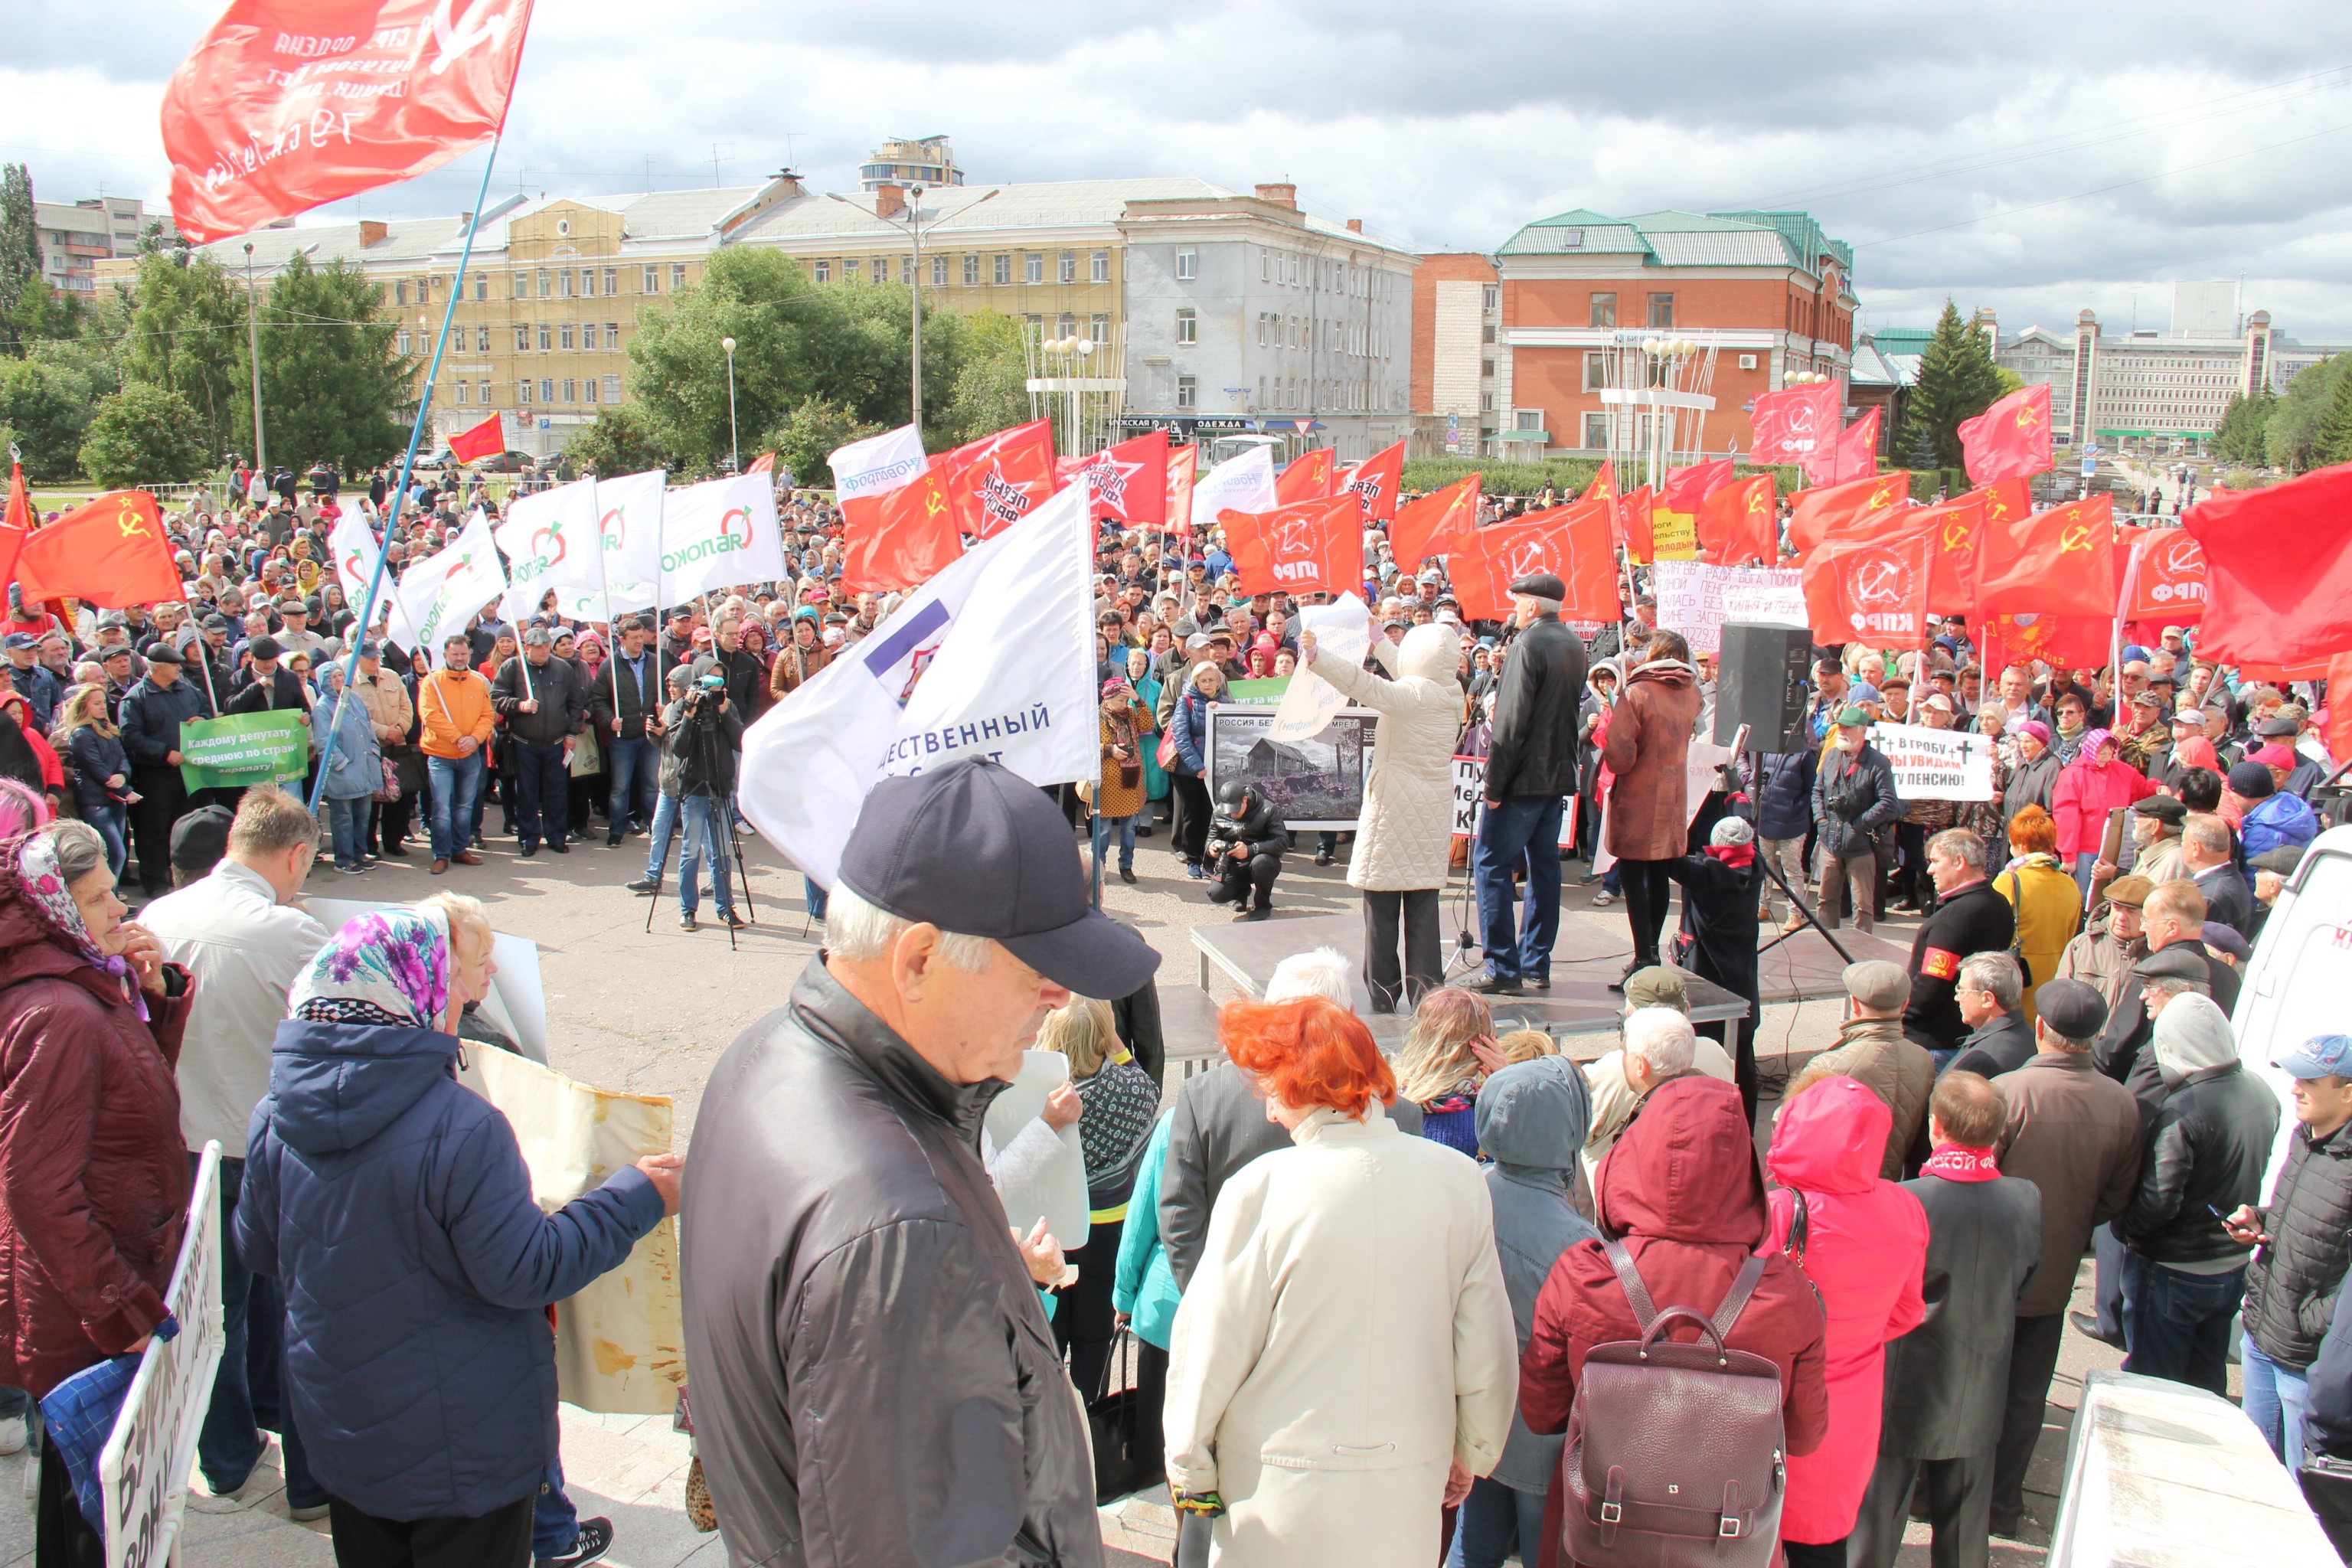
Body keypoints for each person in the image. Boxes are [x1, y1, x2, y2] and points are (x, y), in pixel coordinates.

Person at [681, 759, 1158, 1564]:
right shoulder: (897, 1227)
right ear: (917, 959)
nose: (1058, 997)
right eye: (1035, 966)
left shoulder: (763, 1055)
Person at [237, 899, 679, 1567]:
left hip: (345, 1433)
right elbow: (528, 1270)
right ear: (413, 989)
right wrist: (637, 1194)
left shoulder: (274, 1113)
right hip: (464, 1451)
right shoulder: (460, 1125)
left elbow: (261, 1248)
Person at [1161, 997, 1517, 1568]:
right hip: (1408, 1471)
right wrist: (1473, 1449)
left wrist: (1190, 1464)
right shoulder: (1456, 1180)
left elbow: (1211, 1343)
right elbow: (1486, 1342)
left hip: (1278, 1480)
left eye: (1271, 1086)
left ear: (1298, 1086)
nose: (1270, 1109)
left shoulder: (1262, 1187)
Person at [1518, 1073, 1829, 1568]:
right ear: (1744, 1175)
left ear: (1633, 1159)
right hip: (1729, 1542)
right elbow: (1807, 1436)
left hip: (1602, 1534)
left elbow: (1540, 1413)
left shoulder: (1585, 1275)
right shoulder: (1786, 1294)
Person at [0, 818, 192, 1564]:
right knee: (96, 1520)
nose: (123, 908)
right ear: (55, 909)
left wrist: (158, 1001)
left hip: (94, 1299)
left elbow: (128, 1110)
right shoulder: (60, 1012)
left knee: (102, 1513)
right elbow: (37, 1189)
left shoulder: (85, 984)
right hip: (88, 1317)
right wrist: (124, 1309)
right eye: (101, 896)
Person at [140, 787, 333, 1519]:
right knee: (287, 1308)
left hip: (184, 1147)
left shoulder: (158, 916)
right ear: (292, 856)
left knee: (209, 1304)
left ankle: (224, 1454)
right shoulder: (289, 932)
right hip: (262, 1150)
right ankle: (305, 1469)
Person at [1852, 1073, 2043, 1568]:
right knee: (1963, 1538)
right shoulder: (2026, 1199)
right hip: (1980, 1385)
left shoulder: (1904, 1198)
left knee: (1875, 1529)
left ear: (1936, 1128)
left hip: (1903, 1384)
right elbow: (2023, 1281)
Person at [1984, 977, 2140, 1535]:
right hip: (2054, 1270)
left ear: (2043, 1029)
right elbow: (2116, 1198)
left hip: (1990, 1271)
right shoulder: (2121, 1103)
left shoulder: (2008, 1091)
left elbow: (1978, 1179)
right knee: (2027, 1394)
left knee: (1971, 1386)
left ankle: (1946, 1497)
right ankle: (2003, 1504)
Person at [1765, 1074, 1931, 1568]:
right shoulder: (1905, 1207)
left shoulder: (1776, 1211)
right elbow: (1907, 1311)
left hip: (1774, 1405)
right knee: (1824, 1543)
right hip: (1851, 1407)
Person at [1444, 1054, 1594, 1568]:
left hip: (1474, 1422)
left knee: (1473, 1546)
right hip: (1543, 1445)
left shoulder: (1464, 1190)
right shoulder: (1578, 1242)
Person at [2115, 991, 2280, 1393]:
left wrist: (2125, 1230)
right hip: (2232, 1265)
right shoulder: (2260, 1090)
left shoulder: (2182, 1110)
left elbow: (2159, 1201)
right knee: (2207, 1382)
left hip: (2174, 1270)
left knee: (2156, 1390)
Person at [1304, 622, 1468, 1011]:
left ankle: (1383, 993)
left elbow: (1367, 686)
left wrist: (1318, 658)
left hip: (1395, 804)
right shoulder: (1449, 690)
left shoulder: (1415, 694)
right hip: (1430, 806)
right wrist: (1379, 642)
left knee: (1381, 907)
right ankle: (1428, 994)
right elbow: (1412, 673)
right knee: (1423, 906)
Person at [2226, 1034, 2352, 1464]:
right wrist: (2262, 1219)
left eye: (2311, 1082)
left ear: (2348, 1092)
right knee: (2254, 1465)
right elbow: (2314, 1217)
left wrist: (2314, 1318)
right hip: (2262, 1331)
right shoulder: (2307, 1135)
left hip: (2304, 1357)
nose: (2295, 1088)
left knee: (2302, 1492)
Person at [1037, 995, 1161, 1403]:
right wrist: (1116, 1045)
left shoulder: (1041, 1099)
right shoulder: (1130, 1091)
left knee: (1047, 1338)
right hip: (1109, 1233)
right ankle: (1089, 1417)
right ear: (1103, 1039)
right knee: (1094, 1340)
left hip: (1052, 1233)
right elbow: (1147, 1086)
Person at [1470, 573, 1589, 995]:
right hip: (1555, 776)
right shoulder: (1575, 644)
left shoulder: (1528, 643)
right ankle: (1536, 963)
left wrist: (1495, 785)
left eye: (1518, 602)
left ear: (1533, 606)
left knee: (1491, 865)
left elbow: (1512, 718)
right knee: (1544, 870)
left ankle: (1503, 966)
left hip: (1521, 779)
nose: (1514, 609)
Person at [1598, 629, 1699, 985]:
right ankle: (1651, 952)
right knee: (1658, 874)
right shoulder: (1692, 691)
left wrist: (1615, 714)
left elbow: (1621, 756)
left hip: (1640, 795)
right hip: (1673, 795)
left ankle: (1644, 955)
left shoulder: (1638, 691)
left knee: (1631, 873)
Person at [1787, 961, 1936, 1178]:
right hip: (1893, 1186)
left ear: (1854, 1004)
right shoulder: (1923, 1059)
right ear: (1905, 1005)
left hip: (1837, 1189)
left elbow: (1787, 1129)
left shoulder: (1828, 1064)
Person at [1666, 814, 1766, 1119]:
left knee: (1702, 1065)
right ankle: (1745, 1127)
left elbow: (1666, 858)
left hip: (1707, 988)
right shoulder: (1757, 868)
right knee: (1742, 1063)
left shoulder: (1706, 874)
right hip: (1744, 984)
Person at [1580, 982, 1737, 1165]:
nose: (1623, 1056)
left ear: (1641, 1066)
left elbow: (1579, 1127)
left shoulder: (1651, 1123)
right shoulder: (1714, 1055)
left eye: (1625, 1051)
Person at [118, 642, 211, 898]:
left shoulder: (188, 691)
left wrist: (203, 721)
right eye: (173, 665)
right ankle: (156, 882)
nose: (179, 668)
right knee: (154, 830)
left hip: (188, 772)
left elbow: (206, 712)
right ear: (157, 668)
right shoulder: (136, 698)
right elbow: (131, 736)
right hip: (155, 776)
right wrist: (164, 753)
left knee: (186, 827)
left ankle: (185, 878)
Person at [491, 625, 586, 859]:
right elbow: (496, 698)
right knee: (527, 793)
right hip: (524, 743)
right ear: (527, 648)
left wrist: (572, 733)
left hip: (556, 743)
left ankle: (556, 836)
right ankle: (528, 838)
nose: (544, 651)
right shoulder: (513, 667)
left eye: (546, 646)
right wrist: (518, 705)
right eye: (538, 647)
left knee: (556, 792)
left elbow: (576, 703)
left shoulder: (562, 668)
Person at [662, 668, 744, 933]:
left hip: (719, 788)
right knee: (690, 852)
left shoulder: (725, 707)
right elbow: (679, 748)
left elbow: (740, 742)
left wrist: (723, 713)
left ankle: (725, 907)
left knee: (722, 853)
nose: (711, 698)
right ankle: (688, 910)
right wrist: (690, 713)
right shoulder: (684, 707)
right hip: (695, 790)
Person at [1812, 704, 1901, 933]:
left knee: (1862, 906)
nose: (1842, 731)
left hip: (1861, 846)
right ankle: (1826, 944)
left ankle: (1862, 952)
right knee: (1825, 900)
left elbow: (1889, 803)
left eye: (1848, 727)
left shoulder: (1879, 762)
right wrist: (1821, 821)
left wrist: (1860, 825)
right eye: (1840, 726)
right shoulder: (1832, 755)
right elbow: (1817, 791)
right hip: (1829, 841)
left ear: (1862, 730)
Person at [1991, 804, 2079, 1024]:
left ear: (2021, 845)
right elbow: (2072, 932)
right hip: (2057, 972)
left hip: (2017, 975)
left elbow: (1992, 930)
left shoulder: (2010, 880)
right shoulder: (2069, 884)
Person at [1393, 985, 1502, 1158]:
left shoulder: (1388, 1102)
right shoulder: (1490, 1118)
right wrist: (1509, 1083)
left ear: (1419, 1038)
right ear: (1483, 1047)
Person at [417, 632, 494, 874]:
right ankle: (441, 854)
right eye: (455, 654)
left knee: (465, 806)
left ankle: (460, 849)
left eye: (464, 654)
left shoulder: (478, 682)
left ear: (469, 653)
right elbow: (429, 715)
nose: (460, 658)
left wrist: (474, 738)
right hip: (441, 756)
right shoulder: (432, 682)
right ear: (446, 655)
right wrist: (457, 737)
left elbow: (487, 715)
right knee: (441, 808)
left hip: (470, 755)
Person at [592, 616, 665, 845]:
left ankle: (656, 826)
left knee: (652, 784)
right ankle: (617, 829)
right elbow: (598, 699)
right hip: (623, 736)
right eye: (634, 638)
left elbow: (666, 689)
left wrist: (664, 706)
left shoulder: (654, 661)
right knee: (620, 787)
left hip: (650, 733)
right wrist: (609, 720)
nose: (639, 642)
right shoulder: (610, 666)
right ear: (621, 639)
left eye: (641, 637)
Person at [53, 684, 132, 877]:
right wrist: (126, 790)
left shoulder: (109, 729)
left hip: (115, 799)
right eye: (97, 703)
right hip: (95, 801)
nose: (103, 707)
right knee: (114, 853)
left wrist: (122, 775)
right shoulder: (80, 734)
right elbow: (94, 767)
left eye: (104, 702)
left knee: (116, 852)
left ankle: (112, 895)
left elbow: (123, 758)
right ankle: (107, 897)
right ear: (83, 706)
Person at [309, 662, 381, 875]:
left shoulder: (354, 699)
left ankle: (360, 853)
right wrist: (343, 764)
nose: (339, 680)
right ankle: (344, 859)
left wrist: (374, 751)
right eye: (334, 677)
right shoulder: (323, 708)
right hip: (343, 774)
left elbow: (368, 727)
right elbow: (323, 742)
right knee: (343, 818)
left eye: (341, 675)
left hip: (364, 769)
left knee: (363, 815)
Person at [1093, 675, 1152, 886]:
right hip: (1107, 784)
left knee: (1128, 829)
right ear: (1107, 699)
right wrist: (1109, 750)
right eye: (1120, 700)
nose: (1123, 705)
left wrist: (1137, 700)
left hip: (1131, 780)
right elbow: (1084, 746)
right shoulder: (1094, 717)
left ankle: (1126, 866)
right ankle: (1098, 870)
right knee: (1103, 831)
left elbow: (1147, 724)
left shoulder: (1129, 713)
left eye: (1125, 700)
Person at [1168, 659, 1222, 879]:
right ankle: (1192, 860)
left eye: (1211, 680)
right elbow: (1180, 737)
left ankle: (1209, 859)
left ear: (1218, 681)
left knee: (1211, 816)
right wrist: (1197, 766)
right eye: (1203, 680)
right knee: (1192, 814)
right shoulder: (1185, 701)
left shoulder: (1224, 701)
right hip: (1188, 771)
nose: (1208, 684)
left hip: (1213, 771)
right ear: (1196, 682)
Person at [1946, 952, 2037, 1080]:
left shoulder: (1980, 1064)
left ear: (1987, 1000)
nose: (1957, 998)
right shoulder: (2031, 1038)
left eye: (1962, 991)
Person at [1202, 778, 1284, 920]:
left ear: (1245, 799)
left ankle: (1263, 906)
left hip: (1261, 860)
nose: (1232, 814)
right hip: (1233, 863)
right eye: (1229, 811)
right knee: (1216, 894)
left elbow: (1282, 842)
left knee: (1261, 863)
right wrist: (1211, 847)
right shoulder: (1219, 812)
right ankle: (1241, 894)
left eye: (1235, 810)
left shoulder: (1268, 809)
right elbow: (1211, 837)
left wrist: (1251, 849)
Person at [2184, 813, 2254, 939]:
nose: (2181, 847)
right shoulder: (2230, 878)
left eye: (2183, 842)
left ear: (2196, 847)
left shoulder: (2209, 898)